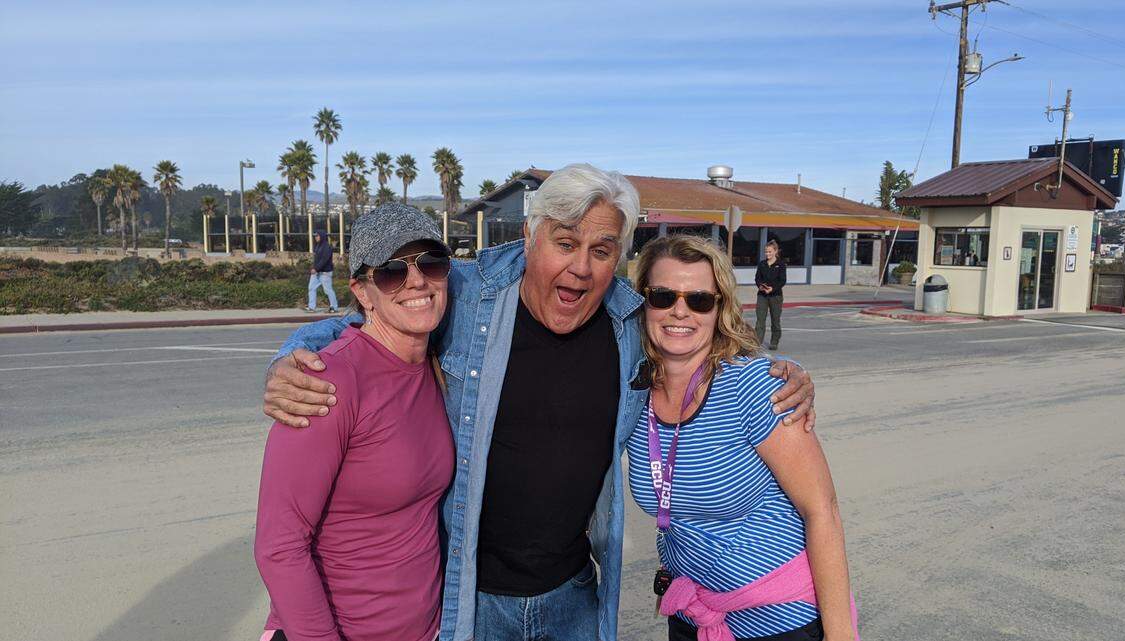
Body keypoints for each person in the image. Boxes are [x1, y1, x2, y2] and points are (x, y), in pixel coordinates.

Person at [261, 164, 819, 641]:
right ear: (531, 237)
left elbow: (696, 340)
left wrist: (789, 373)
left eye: (601, 250)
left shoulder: (628, 323)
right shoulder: (471, 293)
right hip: (471, 600)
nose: (581, 266)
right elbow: (375, 313)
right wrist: (291, 357)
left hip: (575, 596)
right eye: (566, 243)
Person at [629, 234, 857, 641]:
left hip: (780, 621)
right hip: (694, 616)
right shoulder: (633, 393)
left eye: (699, 299)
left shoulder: (751, 387)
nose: (679, 311)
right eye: (662, 296)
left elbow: (822, 511)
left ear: (719, 309)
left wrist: (841, 635)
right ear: (643, 301)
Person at [254, 203, 455, 641]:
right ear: (363, 292)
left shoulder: (435, 367)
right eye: (391, 272)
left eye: (431, 263)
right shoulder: (327, 381)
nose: (417, 280)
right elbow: (279, 546)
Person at [753, 240, 786, 350]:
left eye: (770, 252)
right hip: (762, 295)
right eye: (766, 252)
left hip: (775, 296)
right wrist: (760, 286)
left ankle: (774, 341)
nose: (767, 254)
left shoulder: (780, 264)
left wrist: (772, 289)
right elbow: (757, 278)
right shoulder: (762, 264)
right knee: (760, 320)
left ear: (775, 251)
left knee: (775, 320)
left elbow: (782, 281)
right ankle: (757, 343)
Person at [307, 229, 339, 312]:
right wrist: (314, 268)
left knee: (328, 290)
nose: (316, 238)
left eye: (317, 236)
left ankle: (334, 307)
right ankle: (311, 307)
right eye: (315, 236)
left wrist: (316, 268)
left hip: (325, 272)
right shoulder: (317, 246)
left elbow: (324, 260)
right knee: (311, 288)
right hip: (317, 272)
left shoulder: (327, 247)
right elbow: (317, 260)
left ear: (322, 236)